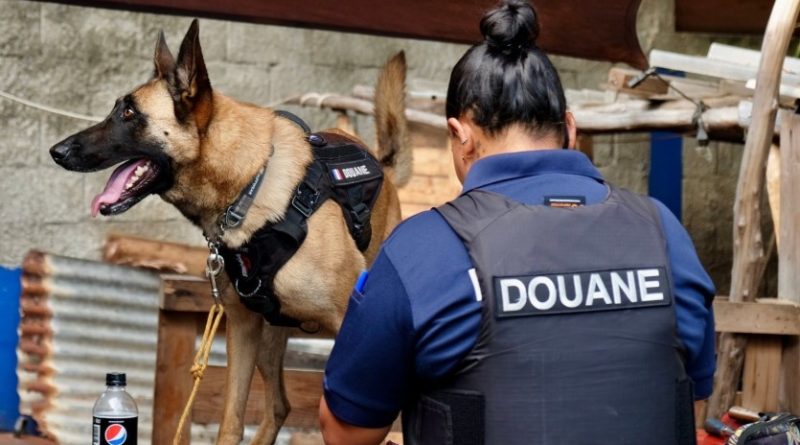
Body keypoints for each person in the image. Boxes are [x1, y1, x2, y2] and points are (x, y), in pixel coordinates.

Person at [318, 1, 716, 444]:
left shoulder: (422, 250)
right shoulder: (663, 232)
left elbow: (345, 432)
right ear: (570, 127)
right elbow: (691, 403)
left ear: (460, 136)